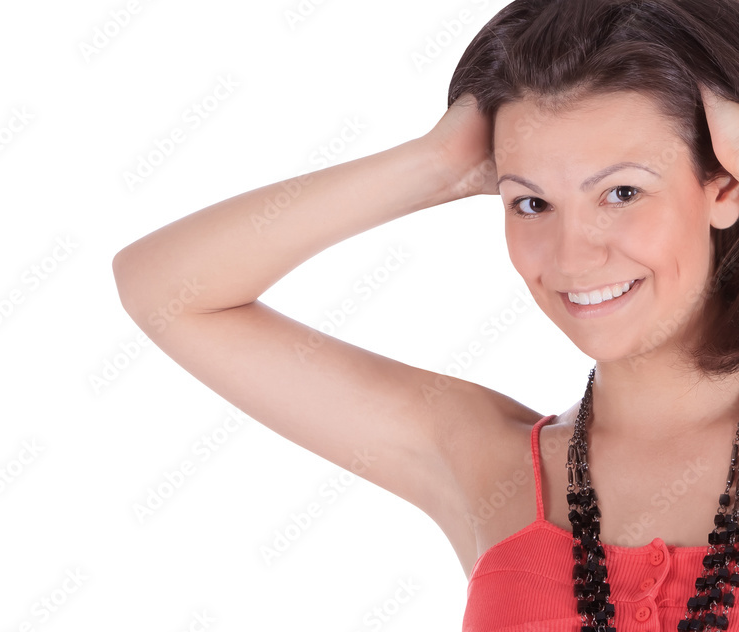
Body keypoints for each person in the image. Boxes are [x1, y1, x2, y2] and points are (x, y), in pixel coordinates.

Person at [113, 0, 739, 629]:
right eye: (530, 203)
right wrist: (436, 164)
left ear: (725, 185)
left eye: (622, 193)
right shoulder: (486, 461)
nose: (573, 257)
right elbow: (167, 293)